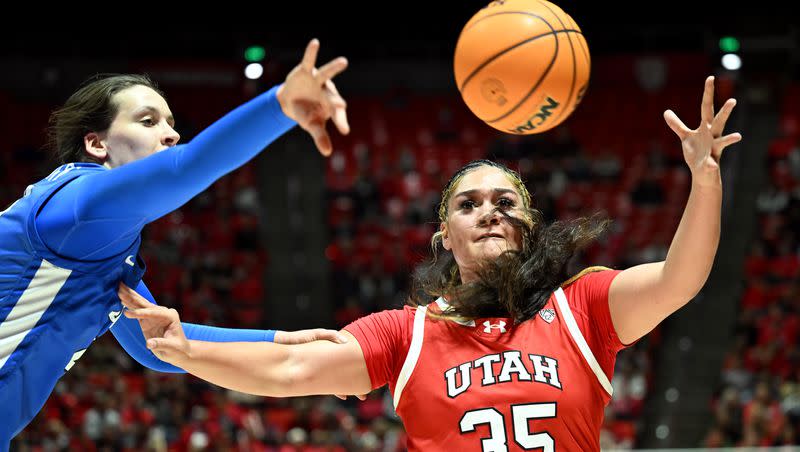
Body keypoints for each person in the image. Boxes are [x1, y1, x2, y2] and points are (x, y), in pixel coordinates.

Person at [120, 76, 742, 451]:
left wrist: (706, 181)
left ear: (526, 226)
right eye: (469, 205)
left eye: (504, 202)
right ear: (445, 235)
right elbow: (291, 366)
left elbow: (680, 278)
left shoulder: (582, 307)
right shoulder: (406, 332)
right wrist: (188, 353)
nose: (489, 212)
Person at [0, 39, 350, 449]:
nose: (170, 134)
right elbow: (185, 167)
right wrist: (281, 106)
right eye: (148, 121)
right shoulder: (78, 204)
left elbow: (159, 345)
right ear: (97, 144)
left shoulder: (105, 246)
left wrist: (278, 341)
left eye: (170, 123)